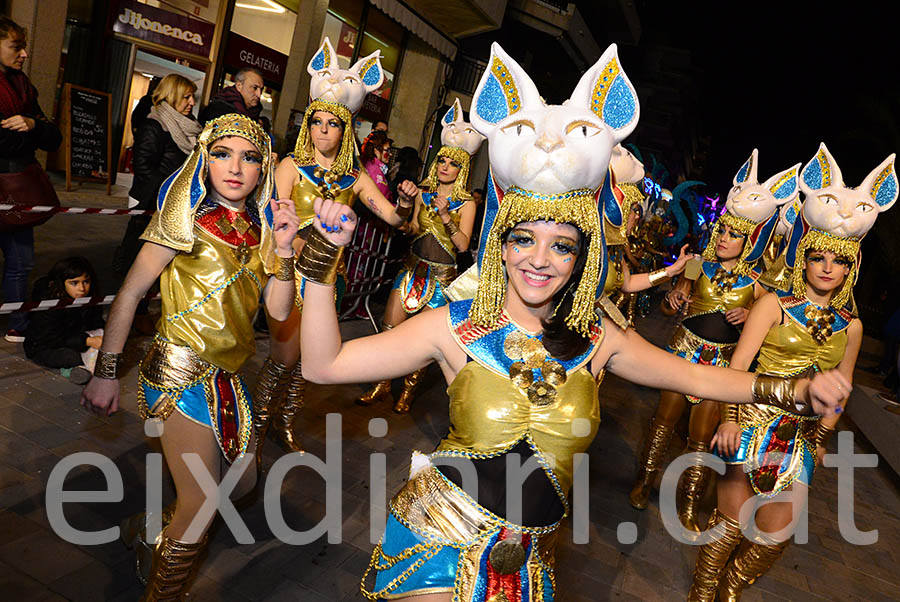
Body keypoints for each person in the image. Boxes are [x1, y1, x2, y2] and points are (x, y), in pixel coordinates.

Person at [297, 43, 844, 601]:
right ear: (500, 246)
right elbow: (323, 364)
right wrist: (319, 261)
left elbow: (699, 378)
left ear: (582, 258)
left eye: (562, 245)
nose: (540, 259)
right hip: (438, 536)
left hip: (529, 560)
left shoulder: (597, 341)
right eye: (523, 239)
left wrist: (793, 390)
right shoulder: (451, 326)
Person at [80, 114, 300, 601]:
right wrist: (106, 373)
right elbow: (131, 293)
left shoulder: (266, 231)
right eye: (223, 153)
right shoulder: (181, 221)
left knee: (241, 487)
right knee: (201, 503)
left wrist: (284, 250)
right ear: (204, 159)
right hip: (177, 369)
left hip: (229, 379)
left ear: (264, 169)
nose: (235, 167)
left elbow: (280, 311)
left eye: (249, 157)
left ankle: (153, 532)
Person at [689, 143, 895, 601]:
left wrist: (822, 438)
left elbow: (841, 389)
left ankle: (730, 590)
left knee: (771, 540)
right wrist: (729, 419)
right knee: (727, 529)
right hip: (750, 425)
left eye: (839, 260)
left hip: (798, 441)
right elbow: (738, 367)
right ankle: (703, 596)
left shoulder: (853, 326)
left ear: (851, 268)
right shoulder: (772, 306)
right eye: (820, 257)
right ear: (804, 258)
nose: (827, 267)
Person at [252, 38, 416, 458]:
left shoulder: (355, 176)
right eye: (317, 122)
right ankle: (254, 428)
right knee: (283, 357)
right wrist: (300, 235)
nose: (323, 131)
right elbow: (273, 217)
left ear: (346, 130)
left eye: (333, 124)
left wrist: (405, 199)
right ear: (308, 124)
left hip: (328, 283)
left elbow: (394, 219)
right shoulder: (290, 166)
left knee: (310, 363)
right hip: (289, 277)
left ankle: (285, 424)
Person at [628, 150, 801, 533]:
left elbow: (765, 334)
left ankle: (689, 506)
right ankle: (644, 482)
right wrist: (674, 300)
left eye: (734, 235)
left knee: (700, 441)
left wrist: (747, 320)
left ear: (751, 240)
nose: (723, 239)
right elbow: (673, 309)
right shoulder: (697, 265)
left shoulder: (758, 286)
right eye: (722, 231)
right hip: (683, 356)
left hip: (720, 368)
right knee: (661, 424)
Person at [357, 98, 484, 414]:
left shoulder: (466, 203)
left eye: (452, 163)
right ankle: (382, 384)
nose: (444, 167)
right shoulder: (422, 193)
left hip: (442, 278)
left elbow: (462, 245)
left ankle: (408, 392)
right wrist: (403, 206)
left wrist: (444, 217)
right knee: (389, 329)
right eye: (441, 160)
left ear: (462, 168)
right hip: (412, 269)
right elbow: (410, 228)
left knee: (426, 342)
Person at [0, 16, 62, 343]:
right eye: (16, 46)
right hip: (12, 178)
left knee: (21, 262)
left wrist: (32, 125)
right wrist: (29, 134)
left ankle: (18, 324)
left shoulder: (23, 85)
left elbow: (54, 137)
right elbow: (5, 141)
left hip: (17, 186)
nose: (24, 53)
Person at [119, 74, 200, 276]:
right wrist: (168, 192)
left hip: (177, 203)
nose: (191, 102)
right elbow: (143, 166)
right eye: (186, 97)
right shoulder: (155, 125)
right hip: (152, 200)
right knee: (140, 255)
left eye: (192, 97)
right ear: (172, 96)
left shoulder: (190, 126)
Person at [24, 256, 103, 384]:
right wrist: (87, 341)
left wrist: (102, 335)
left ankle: (85, 367)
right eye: (74, 283)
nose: (82, 288)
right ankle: (76, 370)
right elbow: (51, 337)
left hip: (77, 338)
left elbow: (96, 321)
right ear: (62, 282)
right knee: (71, 356)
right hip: (44, 346)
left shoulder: (90, 297)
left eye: (86, 282)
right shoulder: (49, 303)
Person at [199, 67, 264, 124]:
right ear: (239, 86)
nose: (259, 94)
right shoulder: (218, 109)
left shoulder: (256, 115)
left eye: (261, 89)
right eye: (254, 88)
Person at [360, 129, 394, 202]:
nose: (390, 154)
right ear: (376, 150)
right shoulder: (375, 170)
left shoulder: (368, 164)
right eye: (387, 150)